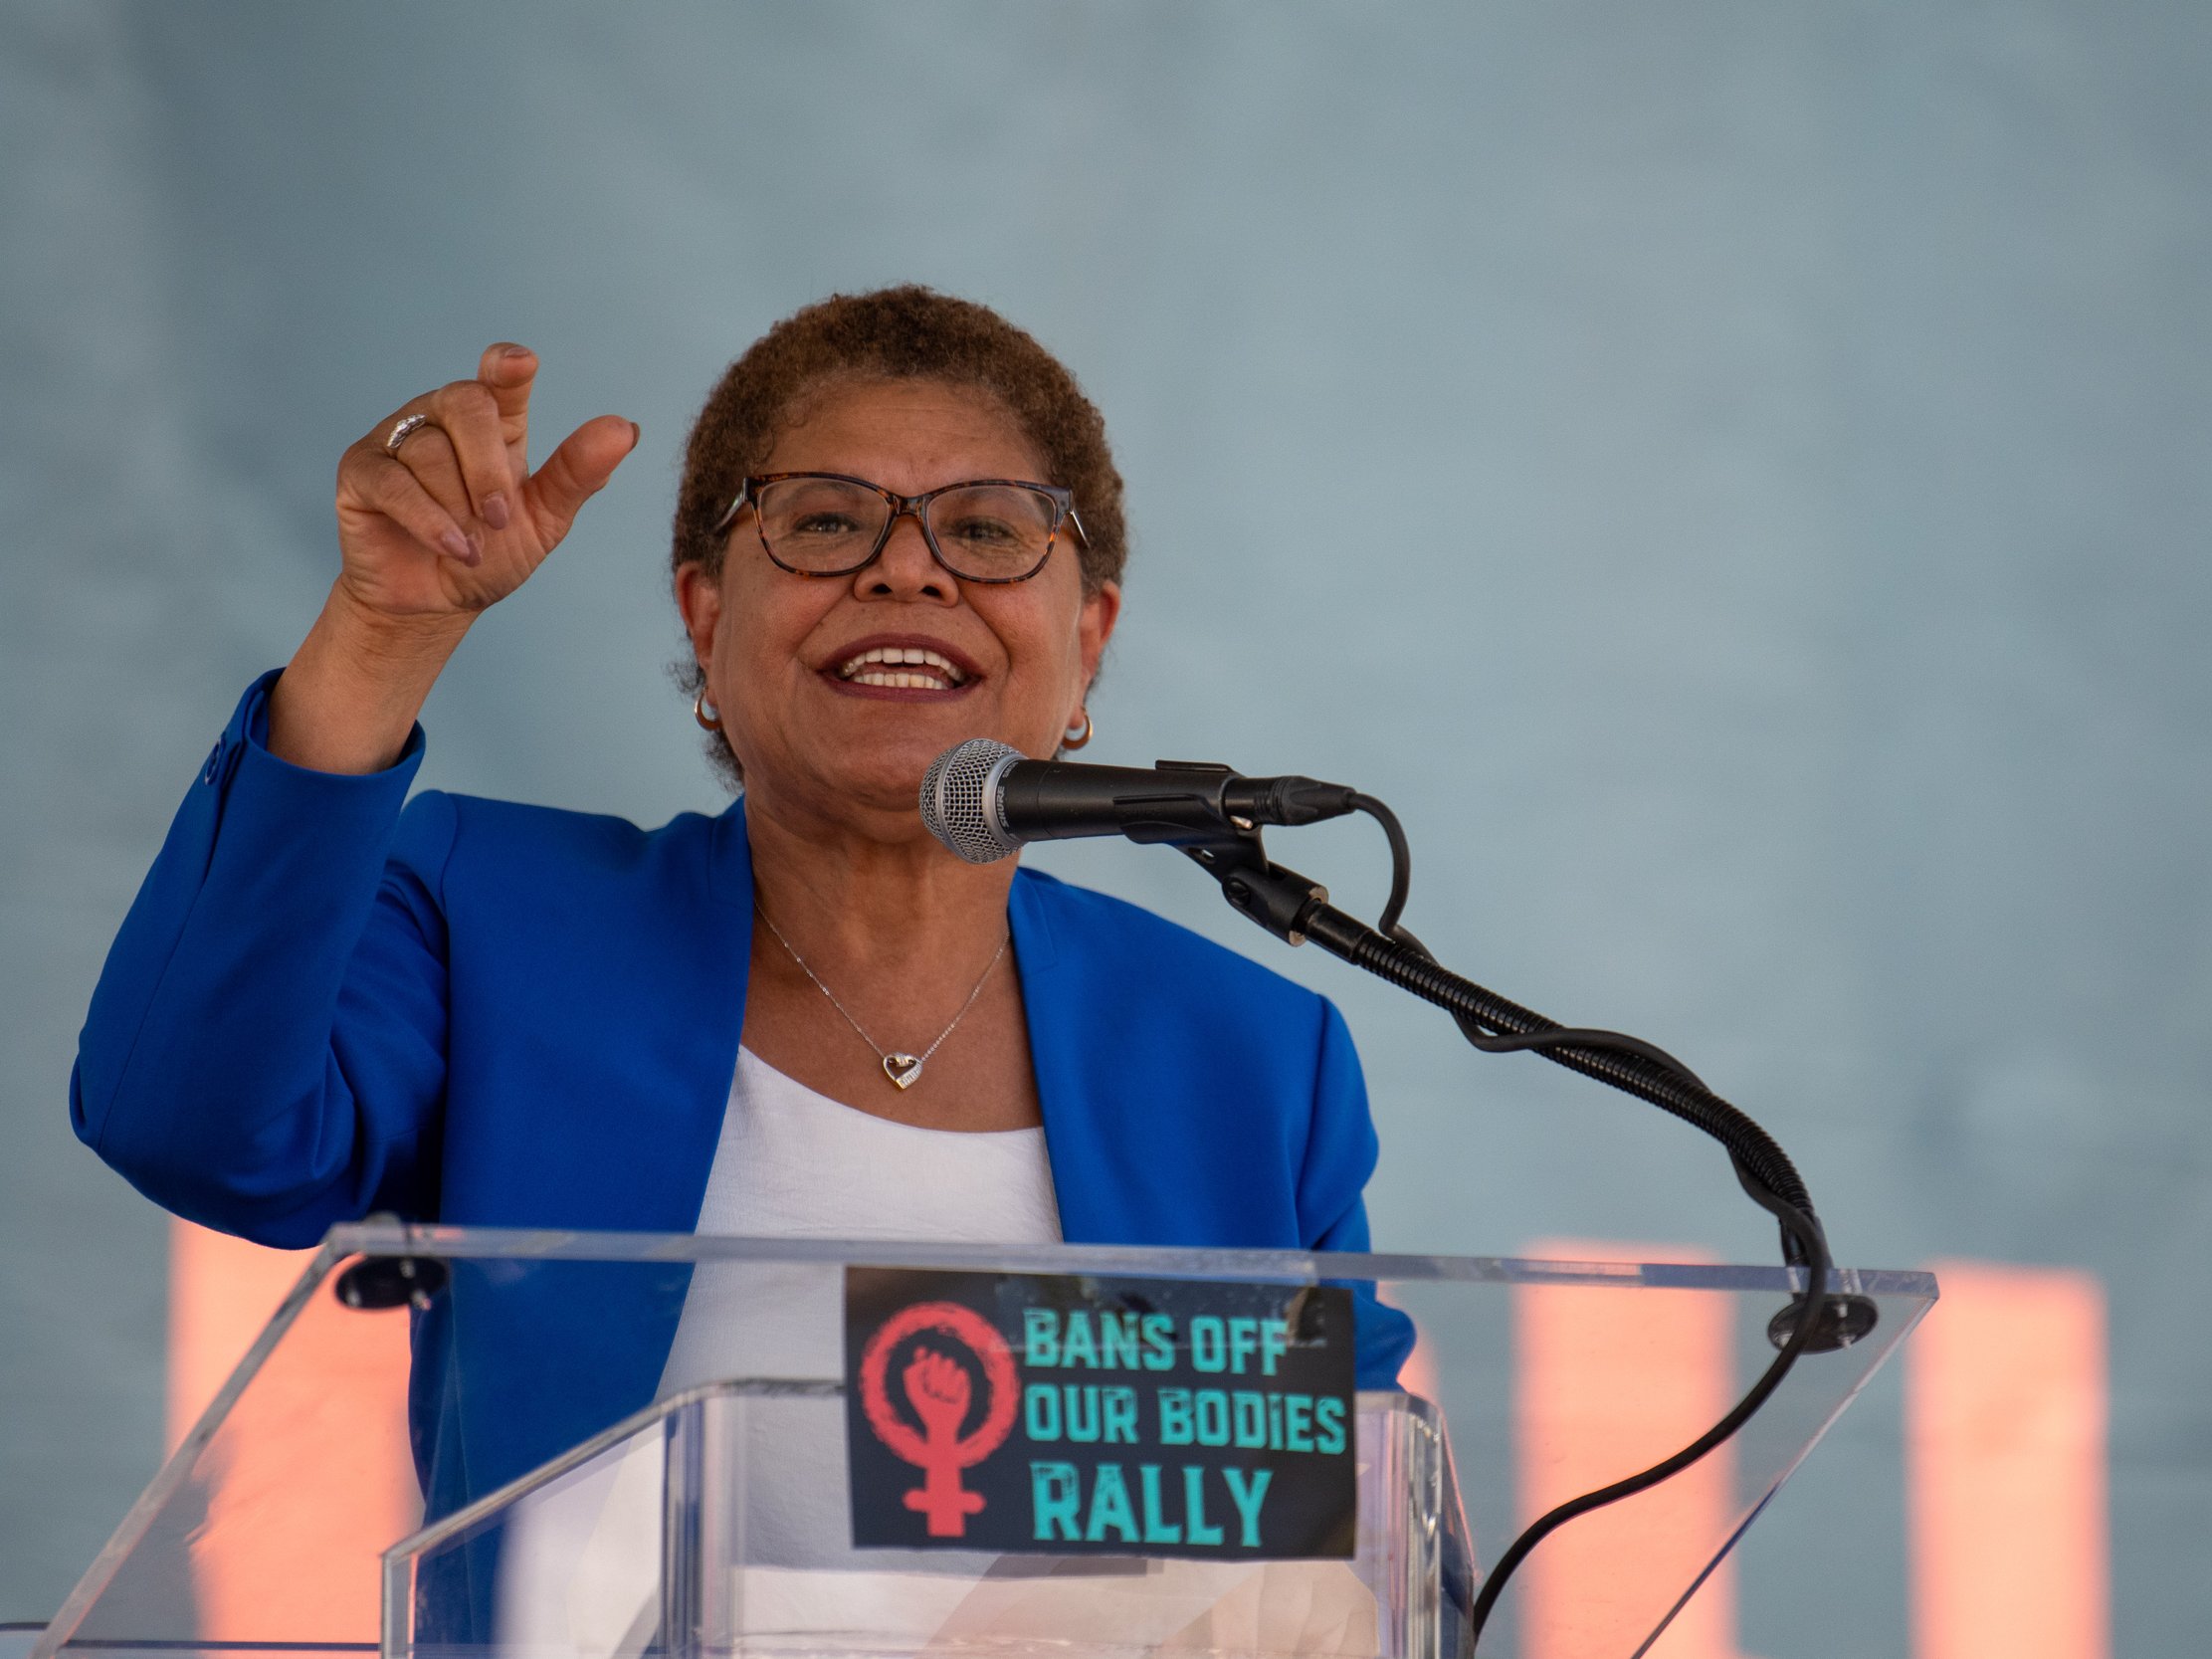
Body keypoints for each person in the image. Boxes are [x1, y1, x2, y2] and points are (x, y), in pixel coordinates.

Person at [72, 287, 1412, 1537]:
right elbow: (193, 1128)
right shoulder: (497, 920)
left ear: (1091, 637)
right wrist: (381, 634)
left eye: (989, 528)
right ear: (707, 619)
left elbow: (1343, 1553)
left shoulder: (1249, 1057)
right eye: (826, 522)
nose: (909, 572)